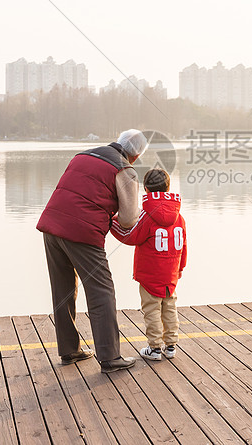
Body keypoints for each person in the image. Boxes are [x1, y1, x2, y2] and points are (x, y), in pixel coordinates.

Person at [37, 129, 148, 373]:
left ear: (117, 141)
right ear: (136, 156)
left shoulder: (82, 155)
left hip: (51, 225)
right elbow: (129, 219)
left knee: (63, 289)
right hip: (82, 233)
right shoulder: (125, 170)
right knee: (101, 291)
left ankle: (69, 350)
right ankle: (110, 357)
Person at [110, 168, 187, 361]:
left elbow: (131, 236)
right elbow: (184, 245)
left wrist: (112, 222)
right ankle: (170, 346)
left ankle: (154, 348)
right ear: (168, 188)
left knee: (152, 310)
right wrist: (180, 268)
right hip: (170, 274)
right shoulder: (179, 217)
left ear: (146, 189)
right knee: (169, 308)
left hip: (150, 274)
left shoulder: (147, 215)